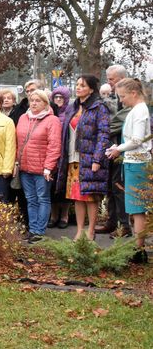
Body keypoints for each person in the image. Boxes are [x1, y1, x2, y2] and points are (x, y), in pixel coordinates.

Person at [56, 75, 110, 241]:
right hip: (72, 158)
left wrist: (97, 159)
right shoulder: (72, 107)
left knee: (90, 197)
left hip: (89, 159)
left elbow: (104, 134)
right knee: (77, 197)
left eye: (83, 85)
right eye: (77, 85)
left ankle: (91, 232)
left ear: (91, 89)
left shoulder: (99, 107)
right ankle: (79, 231)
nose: (78, 88)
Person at [106, 78, 151, 263]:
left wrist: (118, 149)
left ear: (134, 93)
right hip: (133, 161)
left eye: (123, 96)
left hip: (138, 164)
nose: (121, 100)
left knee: (137, 208)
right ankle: (138, 246)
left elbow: (138, 139)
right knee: (135, 208)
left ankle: (139, 249)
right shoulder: (136, 110)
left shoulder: (140, 111)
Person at [14, 90, 61, 243]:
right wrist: (16, 162)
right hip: (25, 167)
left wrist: (48, 167)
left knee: (43, 198)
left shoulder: (52, 120)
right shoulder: (23, 118)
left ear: (45, 103)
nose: (33, 103)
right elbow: (18, 143)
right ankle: (32, 229)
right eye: (31, 100)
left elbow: (54, 145)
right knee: (30, 199)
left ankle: (39, 231)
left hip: (42, 169)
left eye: (38, 101)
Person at [96, 65, 132, 237]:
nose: (109, 82)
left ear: (122, 78)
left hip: (122, 150)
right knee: (110, 187)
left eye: (112, 79)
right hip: (110, 149)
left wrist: (102, 130)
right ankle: (111, 222)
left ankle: (124, 226)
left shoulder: (128, 99)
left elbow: (117, 123)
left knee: (118, 187)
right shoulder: (112, 97)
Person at [48, 86, 72, 228]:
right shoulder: (50, 112)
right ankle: (53, 215)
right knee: (51, 187)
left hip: (66, 155)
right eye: (56, 97)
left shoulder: (69, 113)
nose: (58, 100)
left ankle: (64, 216)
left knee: (65, 187)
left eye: (61, 97)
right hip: (52, 155)